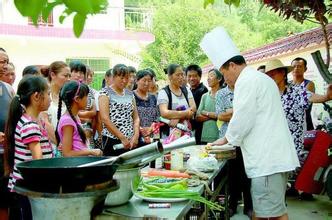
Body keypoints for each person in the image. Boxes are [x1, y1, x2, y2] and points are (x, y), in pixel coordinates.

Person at [200, 26, 299, 220]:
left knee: (272, 214)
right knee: (271, 212)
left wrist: (226, 139)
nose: (225, 79)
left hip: (268, 161)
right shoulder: (257, 78)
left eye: (223, 73)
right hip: (272, 159)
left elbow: (242, 118)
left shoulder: (247, 81)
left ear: (232, 66)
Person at [265, 58, 332, 200]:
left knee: (281, 178)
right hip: (271, 142)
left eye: (274, 73)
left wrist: (326, 96)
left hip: (290, 143)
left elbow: (311, 97)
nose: (271, 76)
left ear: (283, 73)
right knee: (274, 180)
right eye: (268, 74)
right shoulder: (267, 94)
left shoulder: (296, 91)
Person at [5, 76, 53, 220]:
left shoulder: (31, 121)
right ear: (37, 96)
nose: (51, 98)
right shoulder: (30, 126)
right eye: (49, 94)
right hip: (30, 185)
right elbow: (38, 161)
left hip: (28, 184)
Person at [215, 71, 253, 217]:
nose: (227, 78)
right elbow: (220, 115)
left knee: (247, 173)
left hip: (246, 138)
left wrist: (231, 112)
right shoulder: (221, 94)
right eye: (225, 76)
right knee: (231, 174)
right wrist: (237, 113)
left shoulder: (245, 91)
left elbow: (249, 114)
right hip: (227, 138)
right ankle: (231, 205)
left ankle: (248, 206)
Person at [99, 64, 140, 156]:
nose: (124, 81)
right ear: (114, 77)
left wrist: (136, 136)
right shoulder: (105, 93)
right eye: (121, 78)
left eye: (126, 78)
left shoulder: (130, 94)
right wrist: (122, 138)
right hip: (112, 140)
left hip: (131, 141)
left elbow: (136, 117)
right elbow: (105, 119)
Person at [55, 80, 102, 157]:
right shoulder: (67, 121)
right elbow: (67, 153)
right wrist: (91, 152)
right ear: (77, 99)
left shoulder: (75, 116)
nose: (88, 99)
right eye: (86, 96)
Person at [39, 61, 70, 154]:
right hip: (50, 146)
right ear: (53, 75)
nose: (68, 79)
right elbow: (45, 123)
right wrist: (59, 143)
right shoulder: (44, 94)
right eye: (65, 76)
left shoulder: (66, 96)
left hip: (66, 146)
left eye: (69, 76)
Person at [157, 64, 196, 139]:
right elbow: (164, 112)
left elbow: (193, 108)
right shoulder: (164, 93)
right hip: (170, 133)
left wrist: (177, 118)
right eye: (178, 75)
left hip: (187, 132)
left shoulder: (186, 90)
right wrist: (186, 113)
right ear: (170, 77)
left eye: (182, 74)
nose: (181, 77)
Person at [0, 49, 13, 220]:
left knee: (4, 201)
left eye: (5, 61)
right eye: (0, 61)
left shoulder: (8, 89)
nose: (3, 66)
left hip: (4, 155)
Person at [195, 69, 223, 143]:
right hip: (206, 137)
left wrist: (205, 113)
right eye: (208, 76)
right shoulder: (204, 96)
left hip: (222, 137)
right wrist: (214, 116)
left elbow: (224, 116)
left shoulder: (224, 95)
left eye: (211, 76)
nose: (208, 78)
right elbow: (198, 117)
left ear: (219, 79)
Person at [133, 69, 159, 145]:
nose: (147, 83)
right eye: (144, 80)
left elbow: (158, 116)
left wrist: (152, 127)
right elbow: (129, 116)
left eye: (149, 80)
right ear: (137, 81)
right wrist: (140, 129)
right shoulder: (131, 96)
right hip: (136, 135)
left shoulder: (154, 97)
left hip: (152, 134)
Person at [185, 64, 208, 144]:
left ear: (200, 77)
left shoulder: (202, 90)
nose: (191, 78)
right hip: (192, 128)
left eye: (194, 76)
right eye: (189, 76)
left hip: (201, 129)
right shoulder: (189, 91)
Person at [291, 57, 315, 131]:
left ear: (305, 69)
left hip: (305, 122)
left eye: (299, 66)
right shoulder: (287, 84)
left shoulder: (309, 84)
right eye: (294, 66)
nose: (296, 68)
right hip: (290, 123)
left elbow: (304, 102)